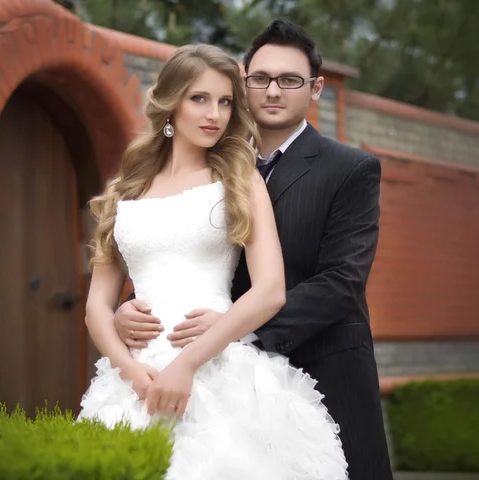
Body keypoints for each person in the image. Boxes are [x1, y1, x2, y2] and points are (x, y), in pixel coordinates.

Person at [113, 20, 393, 479]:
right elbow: (179, 252)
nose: (273, 91)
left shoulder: (351, 168)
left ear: (316, 88)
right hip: (212, 372)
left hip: (322, 363)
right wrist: (128, 310)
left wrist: (235, 329)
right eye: (260, 78)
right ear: (244, 82)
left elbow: (342, 280)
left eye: (290, 80)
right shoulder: (211, 164)